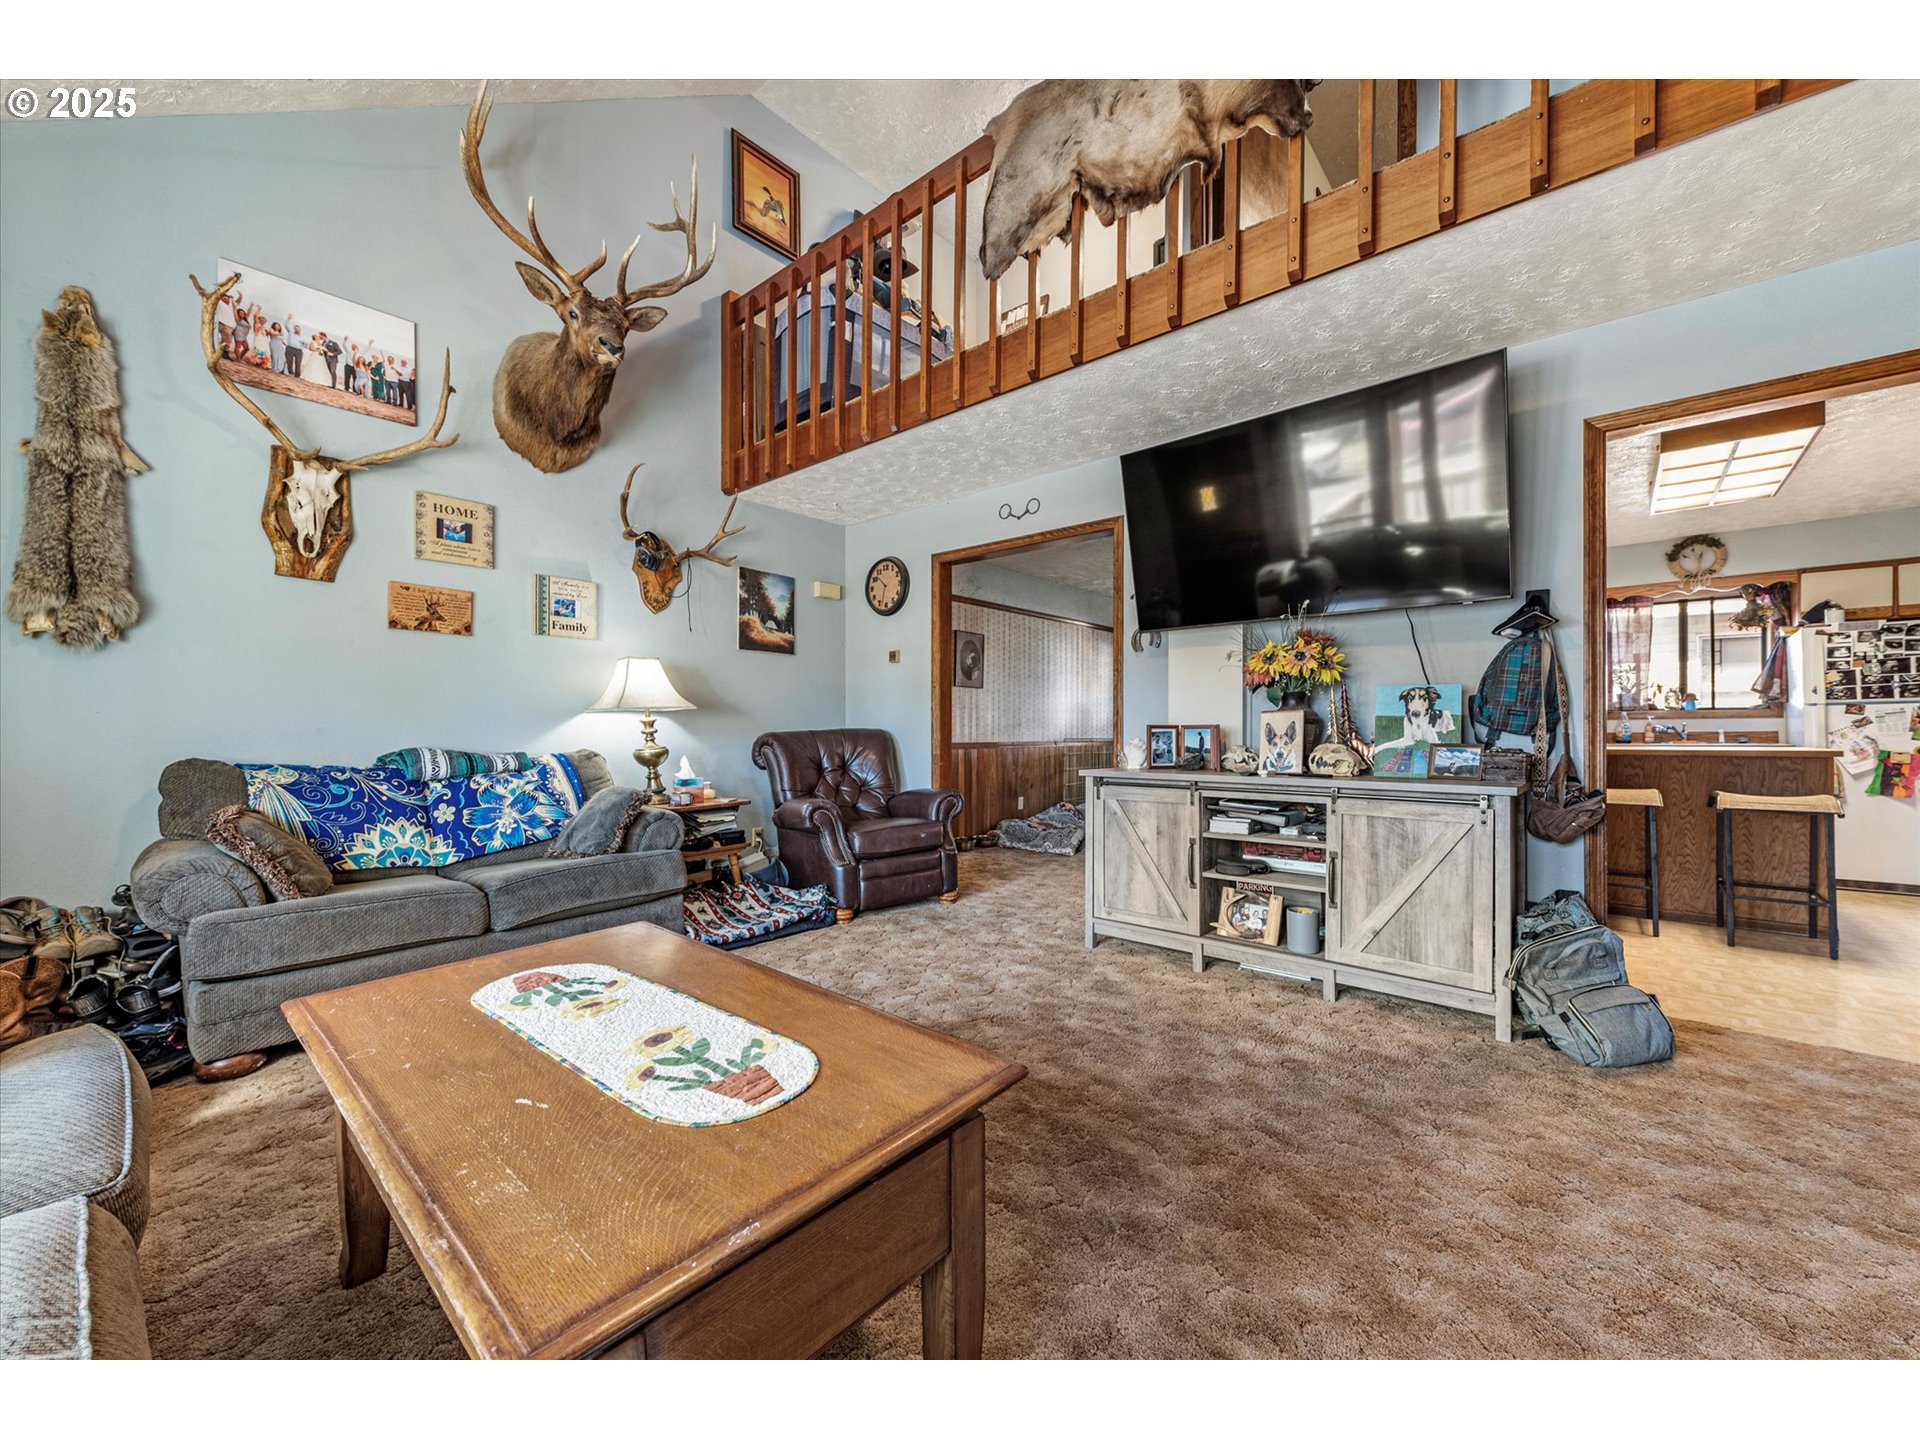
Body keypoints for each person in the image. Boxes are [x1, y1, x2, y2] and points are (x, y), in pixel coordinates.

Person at [214, 287, 237, 359]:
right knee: (227, 339)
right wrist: (221, 291)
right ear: (221, 298)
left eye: (228, 298)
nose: (227, 299)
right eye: (225, 298)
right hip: (223, 323)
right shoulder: (219, 303)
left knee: (227, 340)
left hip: (230, 325)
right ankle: (225, 353)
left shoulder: (229, 305)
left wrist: (233, 298)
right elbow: (216, 295)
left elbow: (235, 303)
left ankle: (221, 352)